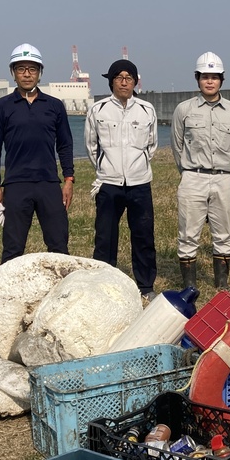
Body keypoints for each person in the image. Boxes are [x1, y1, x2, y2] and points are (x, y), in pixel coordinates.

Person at [0, 43, 75, 264]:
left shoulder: (54, 106)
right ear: (13, 73)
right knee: (13, 248)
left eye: (32, 69)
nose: (27, 74)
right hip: (16, 185)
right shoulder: (2, 107)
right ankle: (6, 295)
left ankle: (61, 293)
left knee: (58, 245)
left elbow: (65, 144)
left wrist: (69, 179)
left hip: (48, 184)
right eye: (21, 69)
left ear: (40, 73)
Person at [85, 59, 159, 300]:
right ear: (111, 82)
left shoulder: (147, 110)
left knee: (143, 235)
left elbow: (151, 145)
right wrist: (107, 167)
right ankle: (103, 283)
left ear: (135, 82)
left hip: (139, 183)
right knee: (105, 236)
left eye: (129, 78)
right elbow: (92, 146)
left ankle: (145, 286)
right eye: (119, 77)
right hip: (109, 183)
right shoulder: (98, 110)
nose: (124, 82)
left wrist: (137, 166)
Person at [171, 52, 230, 290]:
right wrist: (189, 172)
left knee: (223, 233)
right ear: (197, 79)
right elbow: (177, 145)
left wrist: (223, 168)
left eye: (214, 77)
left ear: (222, 80)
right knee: (188, 233)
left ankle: (221, 284)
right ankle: (190, 286)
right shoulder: (184, 109)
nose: (209, 81)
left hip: (223, 178)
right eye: (205, 77)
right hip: (193, 176)